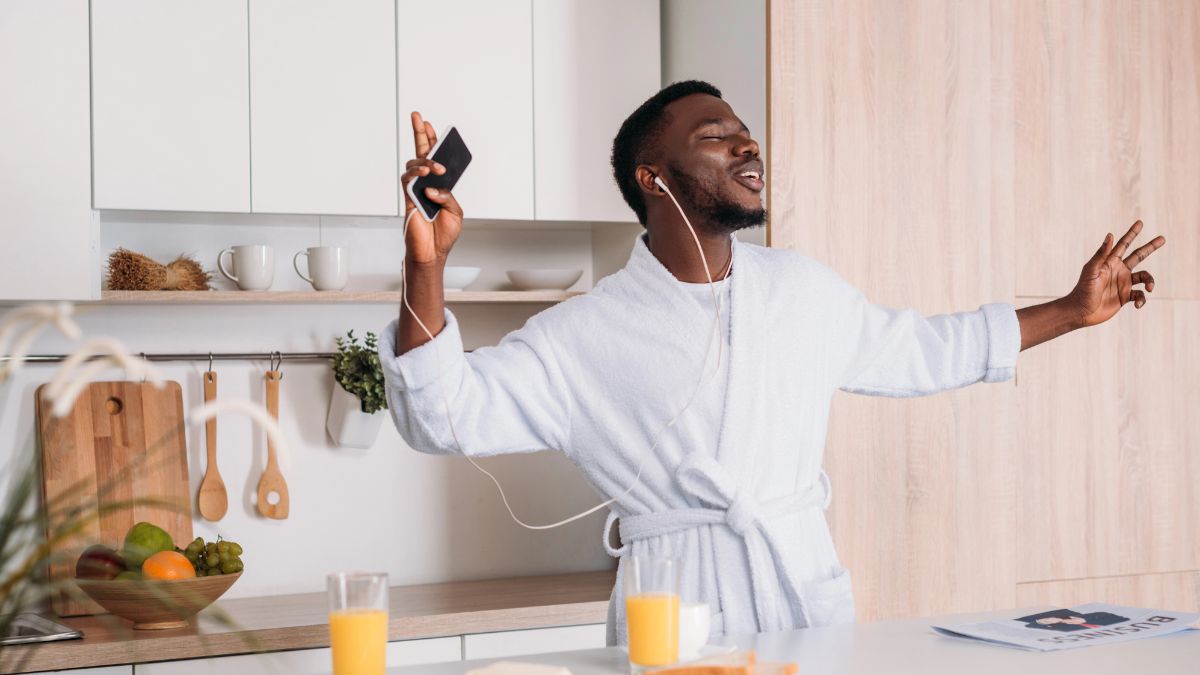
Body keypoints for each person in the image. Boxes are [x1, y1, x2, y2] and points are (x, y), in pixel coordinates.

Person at [378, 81, 1166, 644]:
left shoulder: (801, 289)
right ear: (652, 179)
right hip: (675, 609)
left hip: (800, 598)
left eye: (744, 131)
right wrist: (427, 266)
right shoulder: (582, 334)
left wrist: (1069, 310)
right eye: (714, 135)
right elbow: (442, 414)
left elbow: (924, 350)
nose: (746, 143)